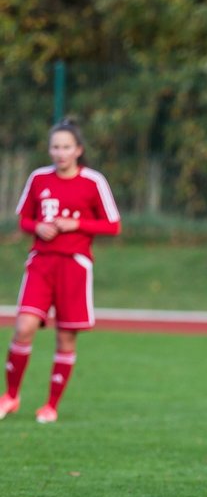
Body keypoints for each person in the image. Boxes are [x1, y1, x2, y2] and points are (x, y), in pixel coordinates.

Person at [1, 119, 121, 424]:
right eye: (55, 146)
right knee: (24, 327)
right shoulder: (39, 178)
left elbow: (113, 225)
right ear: (49, 150)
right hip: (41, 263)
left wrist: (77, 224)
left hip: (75, 266)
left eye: (67, 147)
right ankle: (11, 396)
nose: (60, 152)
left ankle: (51, 405)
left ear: (78, 150)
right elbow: (24, 219)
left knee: (66, 338)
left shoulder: (93, 181)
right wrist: (36, 226)